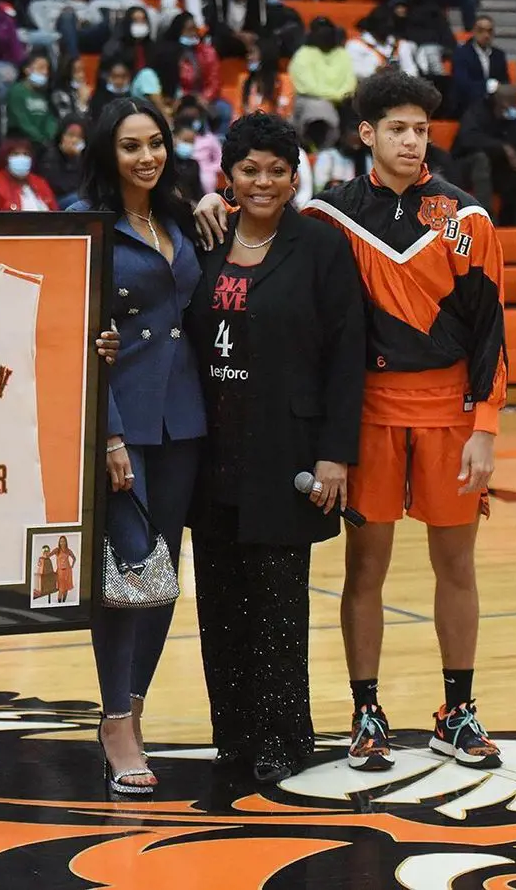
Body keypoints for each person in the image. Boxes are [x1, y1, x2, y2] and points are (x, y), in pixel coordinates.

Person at [198, 67, 508, 775]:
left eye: (420, 130)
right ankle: (366, 712)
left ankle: (456, 710)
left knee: (455, 565)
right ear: (366, 134)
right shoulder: (326, 219)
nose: (410, 141)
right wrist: (209, 207)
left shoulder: (467, 220)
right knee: (364, 569)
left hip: (450, 415)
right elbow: (255, 230)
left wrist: (487, 426)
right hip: (368, 414)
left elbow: (492, 333)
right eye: (396, 128)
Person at [185, 111, 364, 783]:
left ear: (295, 177)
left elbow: (347, 357)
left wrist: (334, 454)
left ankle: (286, 738)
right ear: (227, 176)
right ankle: (232, 732)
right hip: (211, 452)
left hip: (286, 450)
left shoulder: (320, 248)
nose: (262, 182)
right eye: (248, 170)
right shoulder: (206, 237)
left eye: (276, 171)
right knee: (220, 606)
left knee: (280, 610)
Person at [71, 97, 206, 795]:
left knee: (161, 579)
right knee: (126, 573)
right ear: (106, 152)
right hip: (121, 419)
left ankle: (139, 708)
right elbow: (71, 337)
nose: (147, 157)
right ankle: (115, 719)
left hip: (185, 417)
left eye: (155, 143)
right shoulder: (83, 222)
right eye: (131, 147)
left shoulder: (180, 215)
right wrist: (111, 434)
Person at [452, 84, 516, 226]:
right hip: (466, 167)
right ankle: (486, 220)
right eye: (514, 104)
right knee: (481, 160)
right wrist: (503, 147)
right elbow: (468, 139)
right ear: (502, 103)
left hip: (497, 168)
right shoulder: (477, 111)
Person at [288, 17, 357, 145]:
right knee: (320, 109)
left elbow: (350, 82)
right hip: (311, 99)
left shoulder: (342, 54)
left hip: (342, 99)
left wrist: (341, 96)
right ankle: (319, 148)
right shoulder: (303, 54)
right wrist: (335, 96)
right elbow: (308, 87)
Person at [0, 138, 58, 211]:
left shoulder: (39, 182)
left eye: (25, 154)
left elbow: (54, 211)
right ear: (6, 157)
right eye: (16, 154)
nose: (22, 158)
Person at [451, 17, 510, 117]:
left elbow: (505, 81)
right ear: (473, 32)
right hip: (468, 104)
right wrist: (488, 86)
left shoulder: (499, 55)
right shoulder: (461, 53)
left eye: (489, 31)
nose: (486, 35)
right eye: (481, 30)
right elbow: (462, 84)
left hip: (494, 104)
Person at [5, 52, 59, 150]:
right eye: (41, 67)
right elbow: (21, 120)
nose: (45, 72)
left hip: (43, 143)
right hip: (21, 141)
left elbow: (50, 118)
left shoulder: (44, 93)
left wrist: (50, 136)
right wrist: (39, 138)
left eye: (47, 68)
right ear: (27, 70)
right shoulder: (17, 91)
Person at [39, 116, 85, 210]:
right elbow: (57, 185)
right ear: (61, 136)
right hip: (55, 200)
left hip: (77, 195)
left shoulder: (82, 156)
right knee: (78, 199)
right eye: (70, 135)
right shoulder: (50, 154)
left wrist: (79, 158)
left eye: (79, 137)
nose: (74, 140)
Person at [51, 54, 92, 122]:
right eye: (77, 71)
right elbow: (68, 122)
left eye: (83, 70)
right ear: (68, 72)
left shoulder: (83, 92)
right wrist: (82, 103)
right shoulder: (59, 95)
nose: (82, 75)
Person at [50, 534, 77, 603]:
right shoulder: (57, 550)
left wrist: (72, 566)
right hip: (60, 572)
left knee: (66, 589)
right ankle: (59, 604)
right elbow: (49, 555)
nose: (62, 543)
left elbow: (74, 558)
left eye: (64, 541)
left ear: (66, 542)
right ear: (59, 542)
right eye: (61, 541)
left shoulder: (68, 550)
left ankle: (64, 602)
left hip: (68, 571)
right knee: (61, 589)